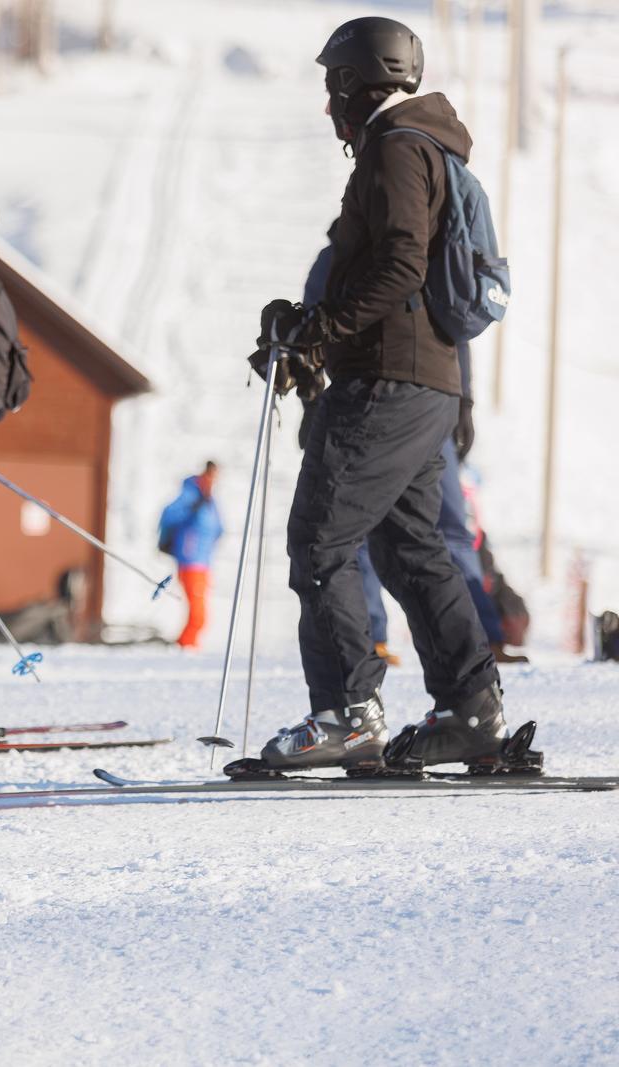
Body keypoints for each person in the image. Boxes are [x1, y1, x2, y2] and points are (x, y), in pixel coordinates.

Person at [248, 16, 510, 773]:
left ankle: (347, 714)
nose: (327, 105)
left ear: (350, 83)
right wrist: (305, 327)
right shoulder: (421, 147)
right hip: (428, 385)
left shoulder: (395, 151)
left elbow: (399, 266)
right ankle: (472, 708)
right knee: (410, 549)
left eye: (331, 87)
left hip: (388, 382)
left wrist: (320, 326)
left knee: (320, 542)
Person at [157, 462, 223, 648]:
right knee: (198, 615)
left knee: (200, 615)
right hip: (190, 560)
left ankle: (186, 646)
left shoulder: (210, 500)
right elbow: (169, 513)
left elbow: (218, 527)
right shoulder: (191, 494)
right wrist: (190, 510)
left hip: (203, 562)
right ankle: (184, 647)